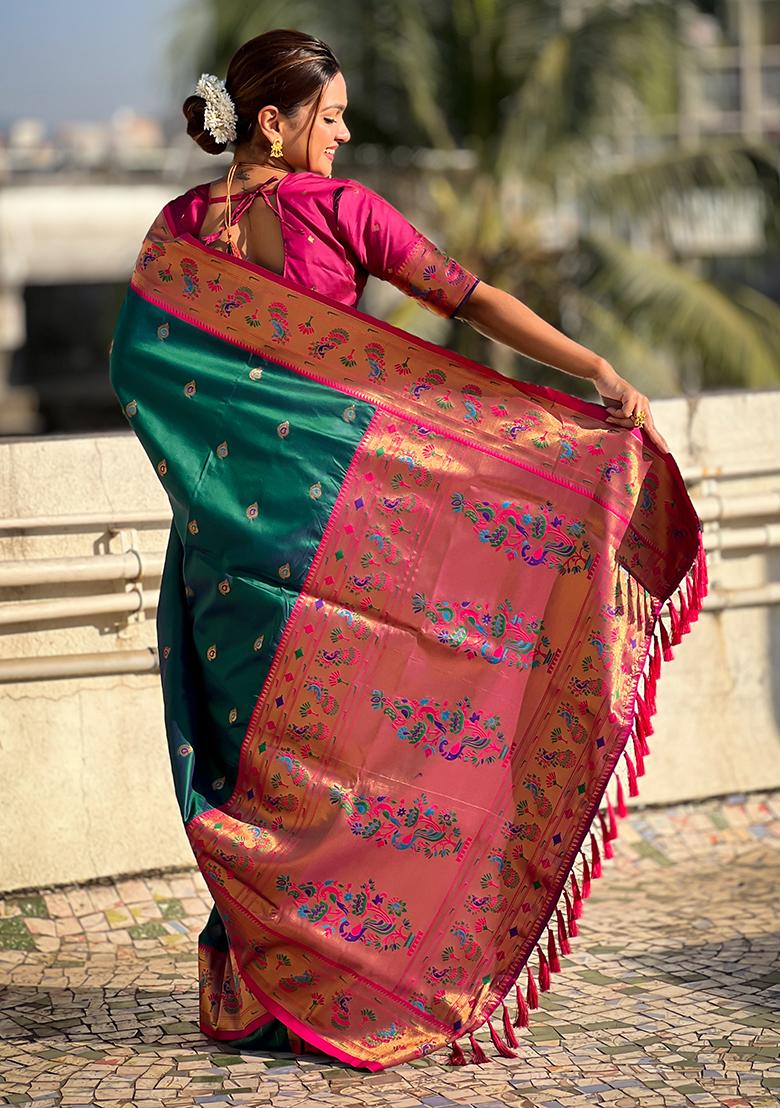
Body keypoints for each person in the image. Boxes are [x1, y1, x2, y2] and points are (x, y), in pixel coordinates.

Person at [109, 28, 705, 1070]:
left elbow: (137, 364)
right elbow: (471, 301)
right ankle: (345, 989)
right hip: (346, 531)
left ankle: (259, 991)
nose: (343, 136)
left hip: (227, 553)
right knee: (349, 761)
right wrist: (596, 372)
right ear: (273, 122)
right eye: (331, 117)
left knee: (263, 769)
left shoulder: (177, 234)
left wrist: (222, 480)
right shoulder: (339, 210)